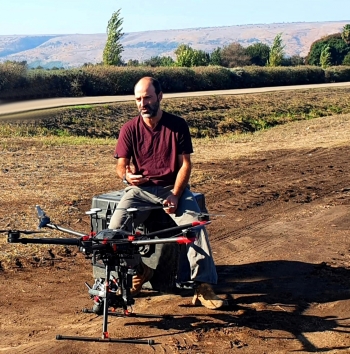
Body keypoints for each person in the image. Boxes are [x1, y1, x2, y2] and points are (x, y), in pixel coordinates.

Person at [109, 76, 226, 310]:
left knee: (195, 226)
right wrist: (126, 177)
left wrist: (175, 193)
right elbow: (121, 165)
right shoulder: (129, 129)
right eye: (138, 99)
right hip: (139, 191)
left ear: (160, 97)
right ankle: (140, 271)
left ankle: (202, 286)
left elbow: (186, 165)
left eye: (147, 98)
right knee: (112, 235)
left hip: (173, 189)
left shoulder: (178, 125)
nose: (143, 104)